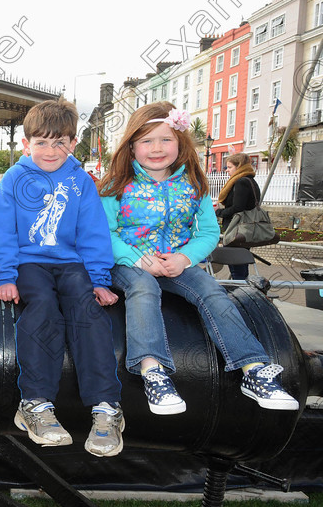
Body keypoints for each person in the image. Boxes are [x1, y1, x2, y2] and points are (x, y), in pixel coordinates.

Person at [98, 102, 299, 416]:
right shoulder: (115, 186)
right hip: (128, 263)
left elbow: (207, 232)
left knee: (211, 290)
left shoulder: (194, 185)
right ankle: (153, 370)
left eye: (166, 139)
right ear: (132, 146)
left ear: (180, 143)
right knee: (143, 289)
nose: (156, 148)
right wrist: (138, 259)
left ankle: (253, 368)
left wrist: (184, 258)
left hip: (176, 262)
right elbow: (104, 233)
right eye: (147, 141)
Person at [0, 99, 125, 458]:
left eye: (60, 142)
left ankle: (105, 407)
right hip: (29, 263)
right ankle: (35, 403)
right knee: (42, 310)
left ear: (73, 141)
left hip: (71, 264)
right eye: (42, 142)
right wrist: (5, 274)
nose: (51, 150)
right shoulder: (14, 179)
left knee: (86, 311)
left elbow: (93, 233)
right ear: (26, 144)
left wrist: (97, 279)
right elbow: (2, 231)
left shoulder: (81, 182)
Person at [214, 152, 259, 280]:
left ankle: (238, 294)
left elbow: (237, 208)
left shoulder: (241, 182)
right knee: (240, 265)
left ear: (238, 166)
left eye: (229, 167)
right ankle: (241, 290)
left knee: (236, 268)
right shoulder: (251, 180)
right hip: (245, 229)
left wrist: (219, 212)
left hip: (236, 230)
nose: (227, 170)